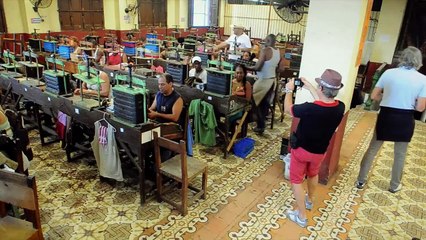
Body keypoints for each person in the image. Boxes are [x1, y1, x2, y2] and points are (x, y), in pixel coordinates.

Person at [355, 46, 426, 193]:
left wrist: (385, 98)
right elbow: (420, 108)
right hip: (405, 118)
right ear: (418, 61)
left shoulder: (389, 73)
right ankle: (394, 185)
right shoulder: (423, 79)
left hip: (386, 115)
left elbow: (374, 96)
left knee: (373, 149)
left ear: (401, 58)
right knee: (400, 154)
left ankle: (361, 180)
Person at [284, 69, 345, 228]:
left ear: (322, 89)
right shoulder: (340, 107)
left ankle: (301, 216)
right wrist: (311, 87)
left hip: (302, 151)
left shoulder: (309, 108)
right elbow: (324, 102)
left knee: (296, 180)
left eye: (319, 86)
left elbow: (287, 109)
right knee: (313, 174)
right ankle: (309, 200)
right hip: (320, 152)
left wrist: (288, 90)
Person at [247, 34, 280, 134]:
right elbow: (281, 68)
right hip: (272, 81)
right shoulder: (278, 52)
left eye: (265, 40)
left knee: (255, 102)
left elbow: (258, 67)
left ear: (268, 40)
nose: (264, 41)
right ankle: (261, 124)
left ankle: (260, 124)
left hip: (264, 81)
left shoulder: (265, 50)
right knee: (264, 104)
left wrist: (246, 66)